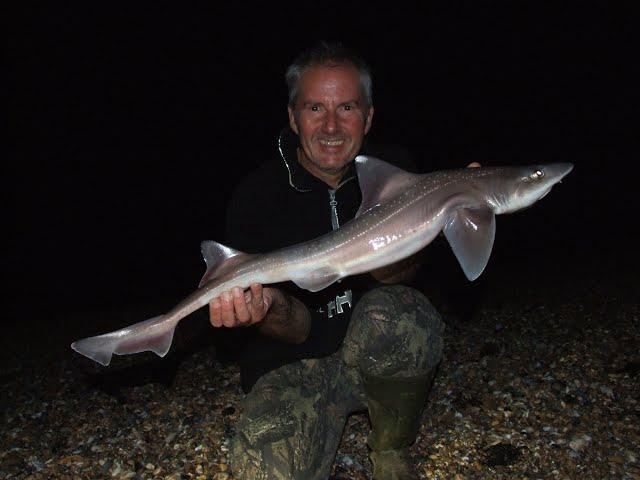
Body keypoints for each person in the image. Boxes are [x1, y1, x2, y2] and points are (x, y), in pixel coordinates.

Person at [208, 42, 475, 480]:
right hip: (294, 365)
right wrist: (266, 309)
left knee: (406, 314)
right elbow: (297, 329)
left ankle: (390, 446)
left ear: (368, 117)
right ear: (293, 118)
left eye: (347, 107)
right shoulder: (256, 198)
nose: (331, 126)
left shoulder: (397, 176)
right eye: (315, 108)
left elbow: (401, 281)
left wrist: (444, 207)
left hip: (375, 349)